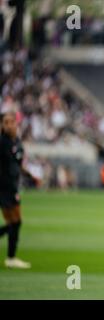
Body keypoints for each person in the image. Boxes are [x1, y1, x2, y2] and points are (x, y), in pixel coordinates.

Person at [0, 111, 37, 269]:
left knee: (13, 223)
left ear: (16, 123)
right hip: (3, 187)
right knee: (16, 222)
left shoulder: (17, 143)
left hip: (13, 186)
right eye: (5, 122)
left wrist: (31, 176)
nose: (9, 125)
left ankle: (11, 258)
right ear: (2, 125)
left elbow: (18, 164)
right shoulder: (2, 143)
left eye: (11, 122)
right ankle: (11, 258)